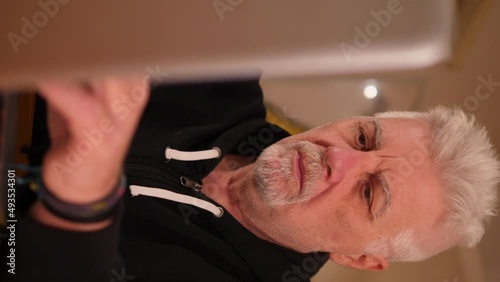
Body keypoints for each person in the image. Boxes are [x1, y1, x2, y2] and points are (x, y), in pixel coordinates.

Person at [7, 75, 500, 282]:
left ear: (359, 258)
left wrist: (77, 205)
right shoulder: (220, 76)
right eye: (364, 138)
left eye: (369, 191)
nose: (340, 160)